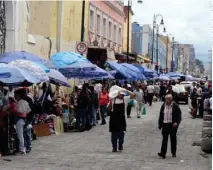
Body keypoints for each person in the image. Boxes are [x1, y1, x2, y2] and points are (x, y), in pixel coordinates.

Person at [158, 94, 182, 159]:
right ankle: (163, 153)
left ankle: (173, 152)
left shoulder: (175, 106)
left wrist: (177, 122)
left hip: (172, 125)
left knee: (173, 139)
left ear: (171, 99)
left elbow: (179, 115)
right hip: (165, 124)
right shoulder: (163, 105)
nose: (166, 100)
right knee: (164, 139)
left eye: (168, 99)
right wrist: (160, 124)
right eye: (166, 99)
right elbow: (161, 115)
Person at [14, 89, 31, 155]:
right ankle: (25, 148)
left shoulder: (19, 102)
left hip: (20, 120)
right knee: (22, 135)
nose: (14, 96)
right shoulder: (25, 101)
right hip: (24, 120)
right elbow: (29, 110)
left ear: (18, 95)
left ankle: (22, 150)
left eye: (15, 95)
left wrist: (15, 111)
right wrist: (25, 113)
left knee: (20, 135)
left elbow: (20, 111)